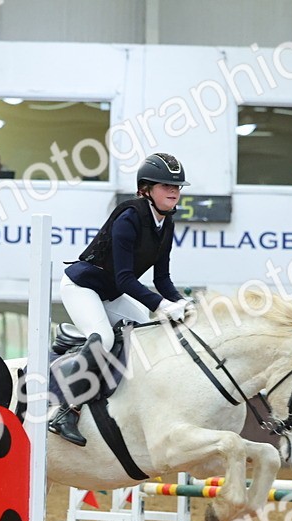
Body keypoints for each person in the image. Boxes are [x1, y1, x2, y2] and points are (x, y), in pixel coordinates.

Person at [47, 152, 193, 446]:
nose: (174, 192)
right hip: (82, 286)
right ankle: (65, 411)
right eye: (166, 186)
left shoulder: (167, 224)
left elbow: (161, 279)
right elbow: (125, 278)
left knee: (147, 331)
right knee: (104, 337)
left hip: (110, 292)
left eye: (177, 187)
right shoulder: (129, 217)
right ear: (145, 190)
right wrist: (163, 306)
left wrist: (183, 303)